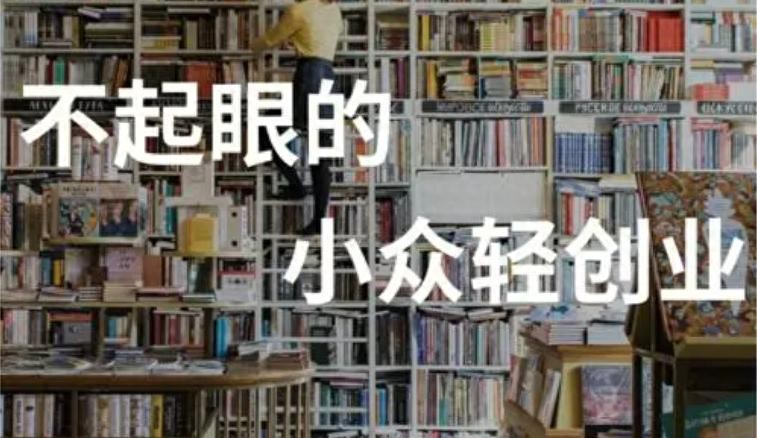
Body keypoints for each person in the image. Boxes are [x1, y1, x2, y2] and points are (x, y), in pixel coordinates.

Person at [251, 0, 343, 235]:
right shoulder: (333, 9)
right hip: (328, 78)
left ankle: (296, 186)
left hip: (309, 77)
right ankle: (319, 219)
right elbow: (315, 36)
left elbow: (267, 41)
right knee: (320, 154)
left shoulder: (298, 10)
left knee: (265, 131)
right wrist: (296, 40)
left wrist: (250, 46)